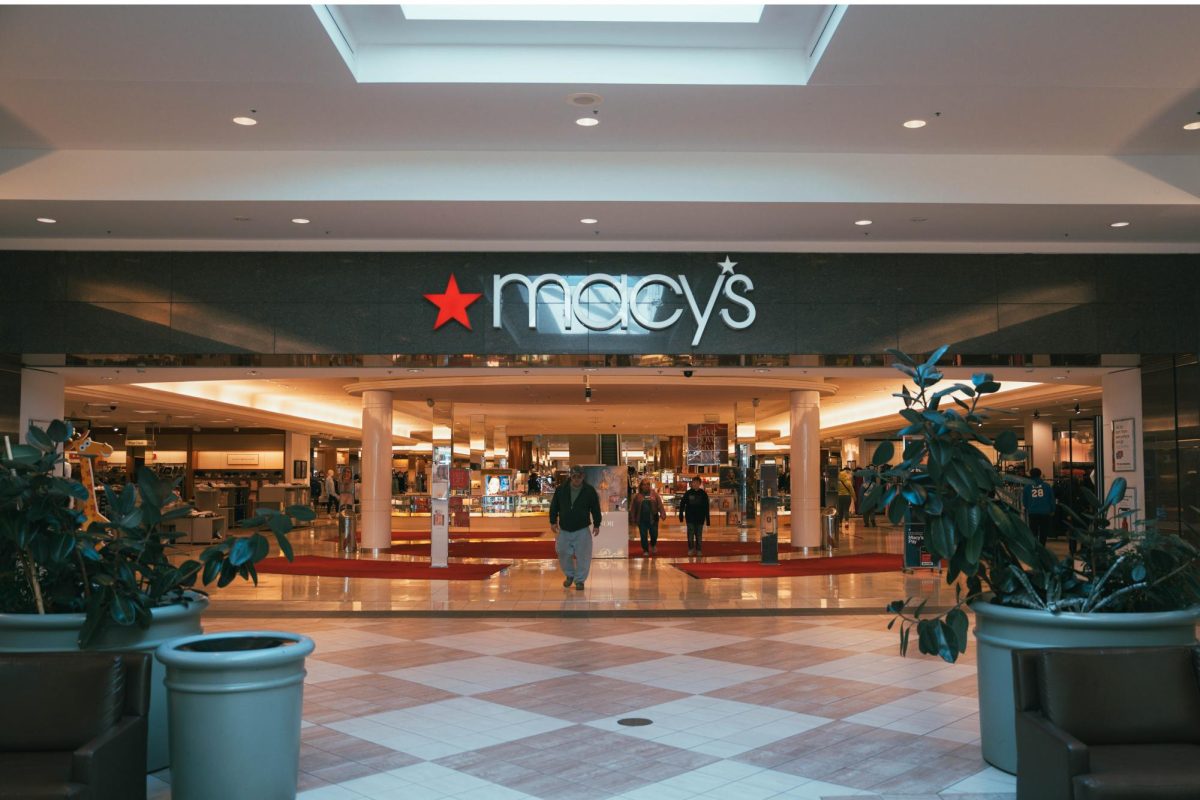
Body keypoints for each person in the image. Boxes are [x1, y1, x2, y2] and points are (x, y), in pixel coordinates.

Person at [548, 465, 602, 590]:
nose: (576, 479)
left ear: (583, 476)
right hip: (564, 529)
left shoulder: (589, 491)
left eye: (579, 476)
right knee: (562, 552)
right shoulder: (561, 490)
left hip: (582, 529)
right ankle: (570, 575)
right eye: (574, 476)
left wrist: (597, 524)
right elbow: (554, 506)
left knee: (583, 555)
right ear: (570, 476)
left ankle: (580, 581)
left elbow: (595, 508)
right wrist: (553, 521)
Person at [630, 478, 667, 555]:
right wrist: (632, 518)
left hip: (653, 519)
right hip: (642, 519)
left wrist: (662, 513)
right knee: (643, 536)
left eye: (647, 484)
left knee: (654, 534)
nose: (646, 486)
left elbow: (660, 505)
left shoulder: (655, 494)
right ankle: (645, 550)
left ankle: (653, 545)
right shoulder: (637, 496)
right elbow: (633, 508)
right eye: (644, 484)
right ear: (641, 486)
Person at [678, 476, 711, 556]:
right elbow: (682, 504)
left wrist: (707, 518)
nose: (695, 484)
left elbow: (706, 507)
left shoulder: (703, 494)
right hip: (690, 517)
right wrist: (681, 514)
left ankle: (699, 549)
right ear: (691, 484)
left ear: (700, 484)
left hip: (700, 518)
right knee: (690, 534)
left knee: (699, 535)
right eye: (693, 483)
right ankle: (691, 548)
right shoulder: (688, 493)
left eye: (697, 483)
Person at [1023, 467, 1057, 546]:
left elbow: (1025, 501)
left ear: (1030, 475)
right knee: (1043, 532)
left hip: (1033, 512)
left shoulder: (1027, 487)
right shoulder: (1047, 486)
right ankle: (1042, 547)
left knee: (1033, 531)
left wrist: (1028, 508)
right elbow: (1052, 499)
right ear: (1040, 475)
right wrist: (1052, 509)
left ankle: (1035, 547)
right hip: (1045, 512)